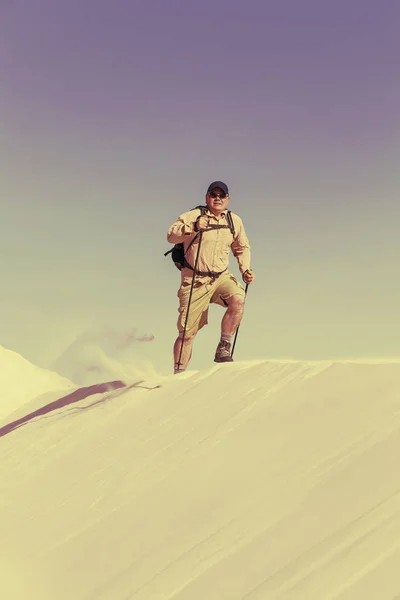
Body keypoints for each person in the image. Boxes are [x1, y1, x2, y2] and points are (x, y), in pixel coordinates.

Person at [167, 181, 255, 374]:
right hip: (195, 280)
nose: (217, 198)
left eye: (221, 195)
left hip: (220, 277)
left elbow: (241, 247)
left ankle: (224, 347)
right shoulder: (193, 216)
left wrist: (245, 269)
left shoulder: (234, 221)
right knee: (186, 334)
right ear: (207, 197)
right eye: (213, 195)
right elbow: (171, 236)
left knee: (238, 299)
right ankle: (178, 374)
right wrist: (194, 226)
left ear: (228, 199)